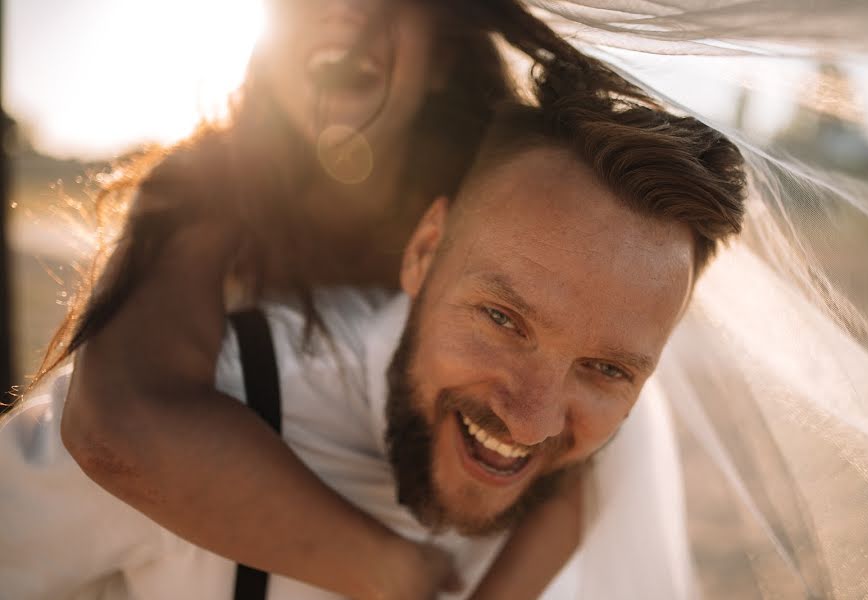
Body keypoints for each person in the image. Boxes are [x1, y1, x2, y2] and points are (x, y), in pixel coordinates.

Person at [22, 0, 658, 598]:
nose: (349, 11)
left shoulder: (495, 188)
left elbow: (593, 444)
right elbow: (117, 424)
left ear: (440, 57)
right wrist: (393, 571)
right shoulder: (205, 186)